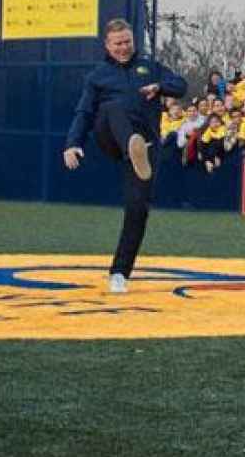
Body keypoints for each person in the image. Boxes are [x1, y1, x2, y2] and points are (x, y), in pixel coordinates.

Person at [60, 18, 188, 293]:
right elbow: (84, 112)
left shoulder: (150, 68)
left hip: (145, 149)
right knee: (112, 109)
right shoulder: (97, 76)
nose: (124, 47)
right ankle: (131, 141)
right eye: (118, 43)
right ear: (107, 45)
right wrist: (73, 143)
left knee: (137, 208)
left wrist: (160, 88)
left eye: (127, 42)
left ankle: (119, 273)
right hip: (111, 138)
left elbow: (181, 84)